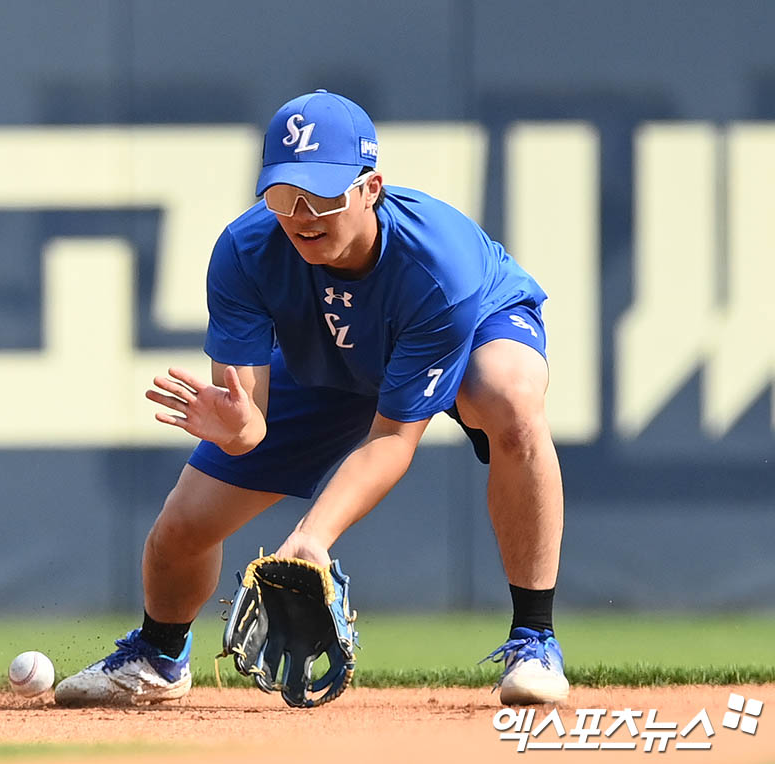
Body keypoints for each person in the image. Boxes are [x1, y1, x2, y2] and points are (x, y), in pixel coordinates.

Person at [54, 89, 569, 707]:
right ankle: (159, 656)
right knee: (183, 526)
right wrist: (239, 428)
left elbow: (392, 439)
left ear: (370, 187)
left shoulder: (438, 265)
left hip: (472, 326)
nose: (302, 214)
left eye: (323, 193)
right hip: (329, 359)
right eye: (282, 195)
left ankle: (533, 639)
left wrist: (312, 538)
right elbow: (251, 424)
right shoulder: (246, 251)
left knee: (508, 400)